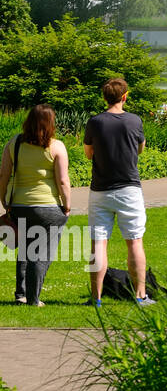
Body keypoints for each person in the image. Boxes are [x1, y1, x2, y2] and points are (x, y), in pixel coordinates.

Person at [83, 78, 152, 307]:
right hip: (129, 189)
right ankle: (140, 295)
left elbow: (88, 153)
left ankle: (97, 298)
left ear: (105, 97)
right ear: (125, 96)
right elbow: (140, 148)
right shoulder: (134, 120)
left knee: (99, 243)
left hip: (100, 190)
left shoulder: (95, 122)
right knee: (134, 242)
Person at [0, 105, 72, 306]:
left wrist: (3, 200)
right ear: (51, 123)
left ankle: (21, 294)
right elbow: (63, 181)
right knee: (41, 254)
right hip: (48, 207)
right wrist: (67, 206)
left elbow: (4, 175)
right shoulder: (56, 146)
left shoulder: (14, 143)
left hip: (19, 205)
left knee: (24, 250)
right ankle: (33, 299)